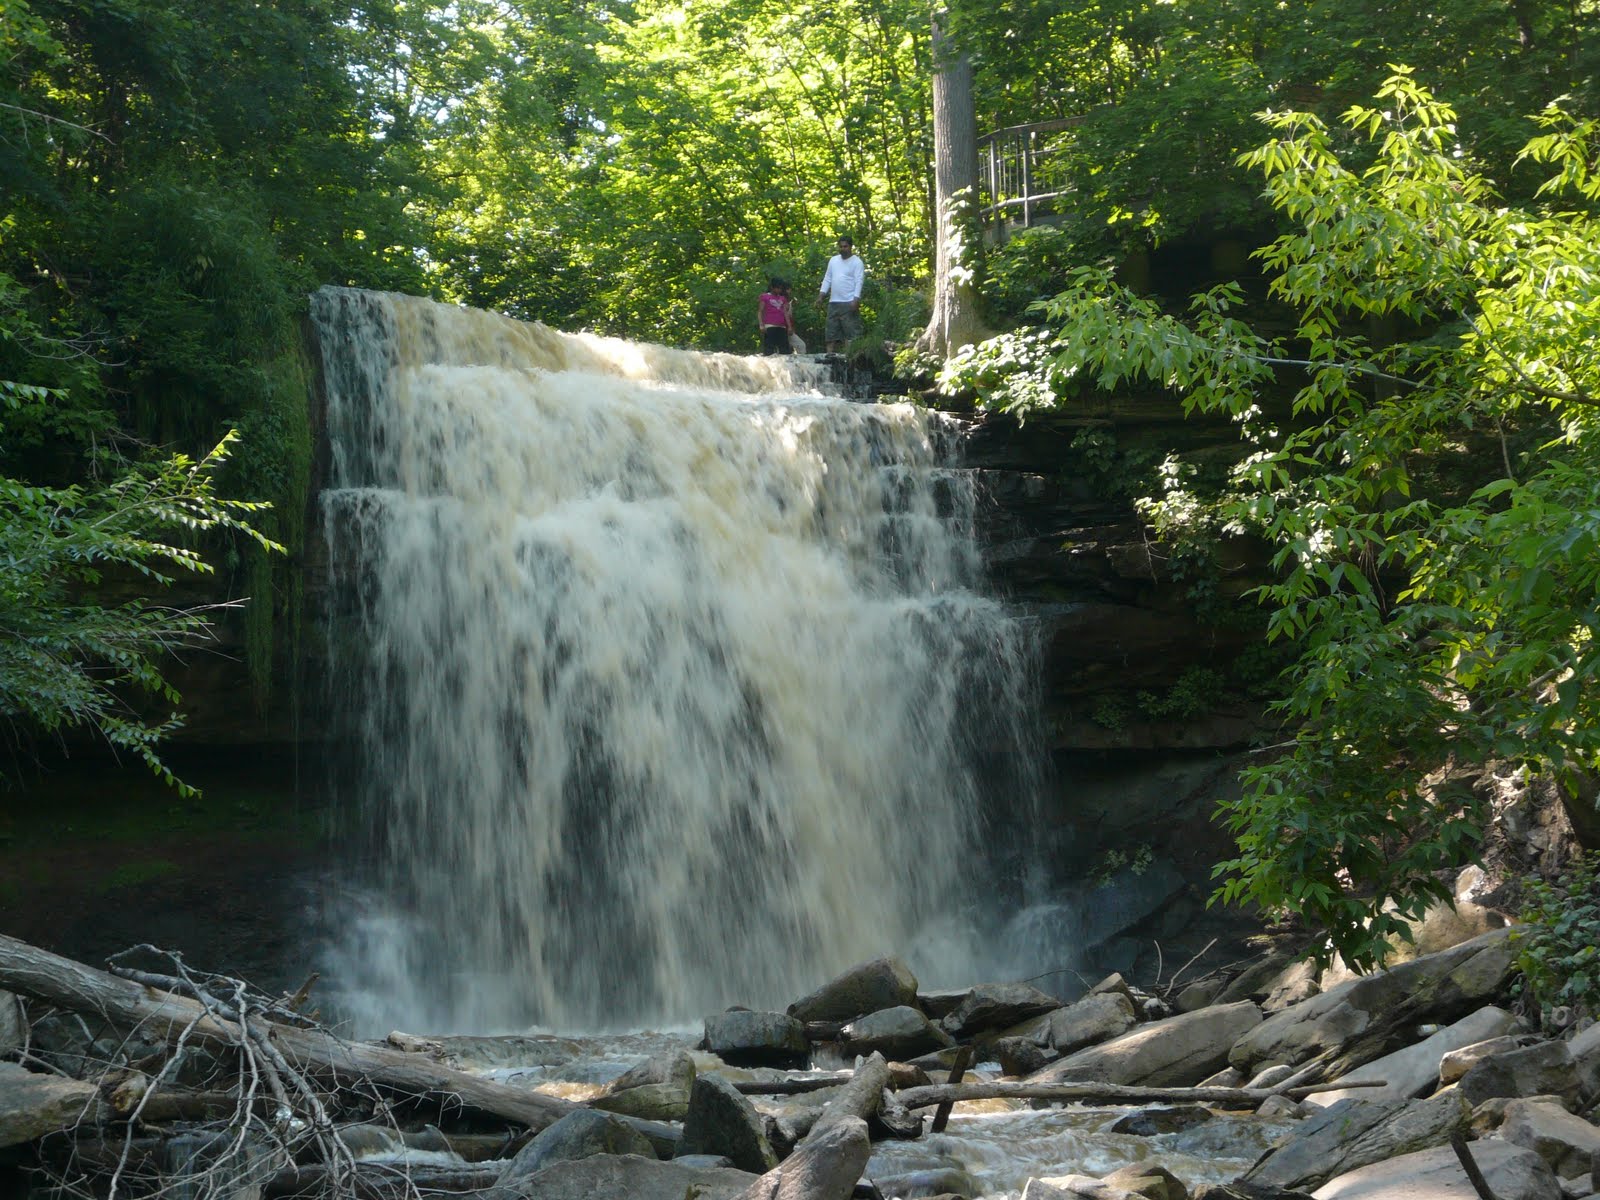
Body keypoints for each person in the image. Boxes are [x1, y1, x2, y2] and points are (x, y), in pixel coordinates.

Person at [816, 236, 864, 354]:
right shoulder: (833, 260)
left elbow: (859, 281)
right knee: (831, 333)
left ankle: (850, 358)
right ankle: (829, 357)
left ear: (850, 247)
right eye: (841, 246)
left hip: (849, 302)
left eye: (845, 246)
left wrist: (856, 299)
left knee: (851, 334)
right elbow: (827, 278)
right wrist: (821, 295)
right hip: (834, 303)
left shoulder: (857, 262)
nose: (843, 249)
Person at [757, 278, 795, 356]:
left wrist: (789, 327)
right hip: (770, 326)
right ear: (772, 287)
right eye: (777, 288)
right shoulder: (764, 297)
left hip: (782, 327)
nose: (779, 290)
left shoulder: (783, 299)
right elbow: (760, 311)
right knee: (769, 350)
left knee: (785, 350)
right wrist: (761, 324)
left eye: (781, 288)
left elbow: (785, 313)